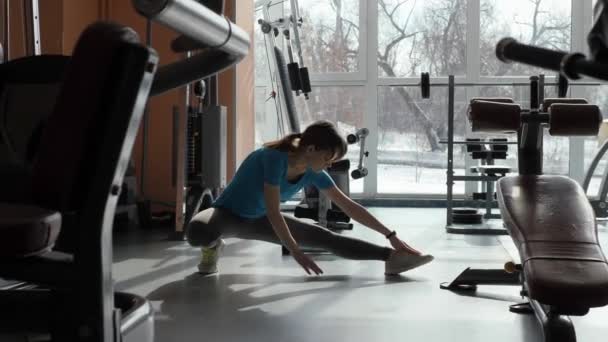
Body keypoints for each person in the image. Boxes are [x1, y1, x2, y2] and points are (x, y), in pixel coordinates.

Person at [186, 120, 434, 276]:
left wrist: (391, 236)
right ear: (312, 149)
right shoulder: (273, 158)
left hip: (259, 219)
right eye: (329, 157)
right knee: (198, 232)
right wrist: (295, 251)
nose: (329, 164)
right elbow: (274, 212)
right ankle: (212, 247)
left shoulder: (313, 172)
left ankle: (391, 258)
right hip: (227, 215)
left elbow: (349, 206)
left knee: (327, 239)